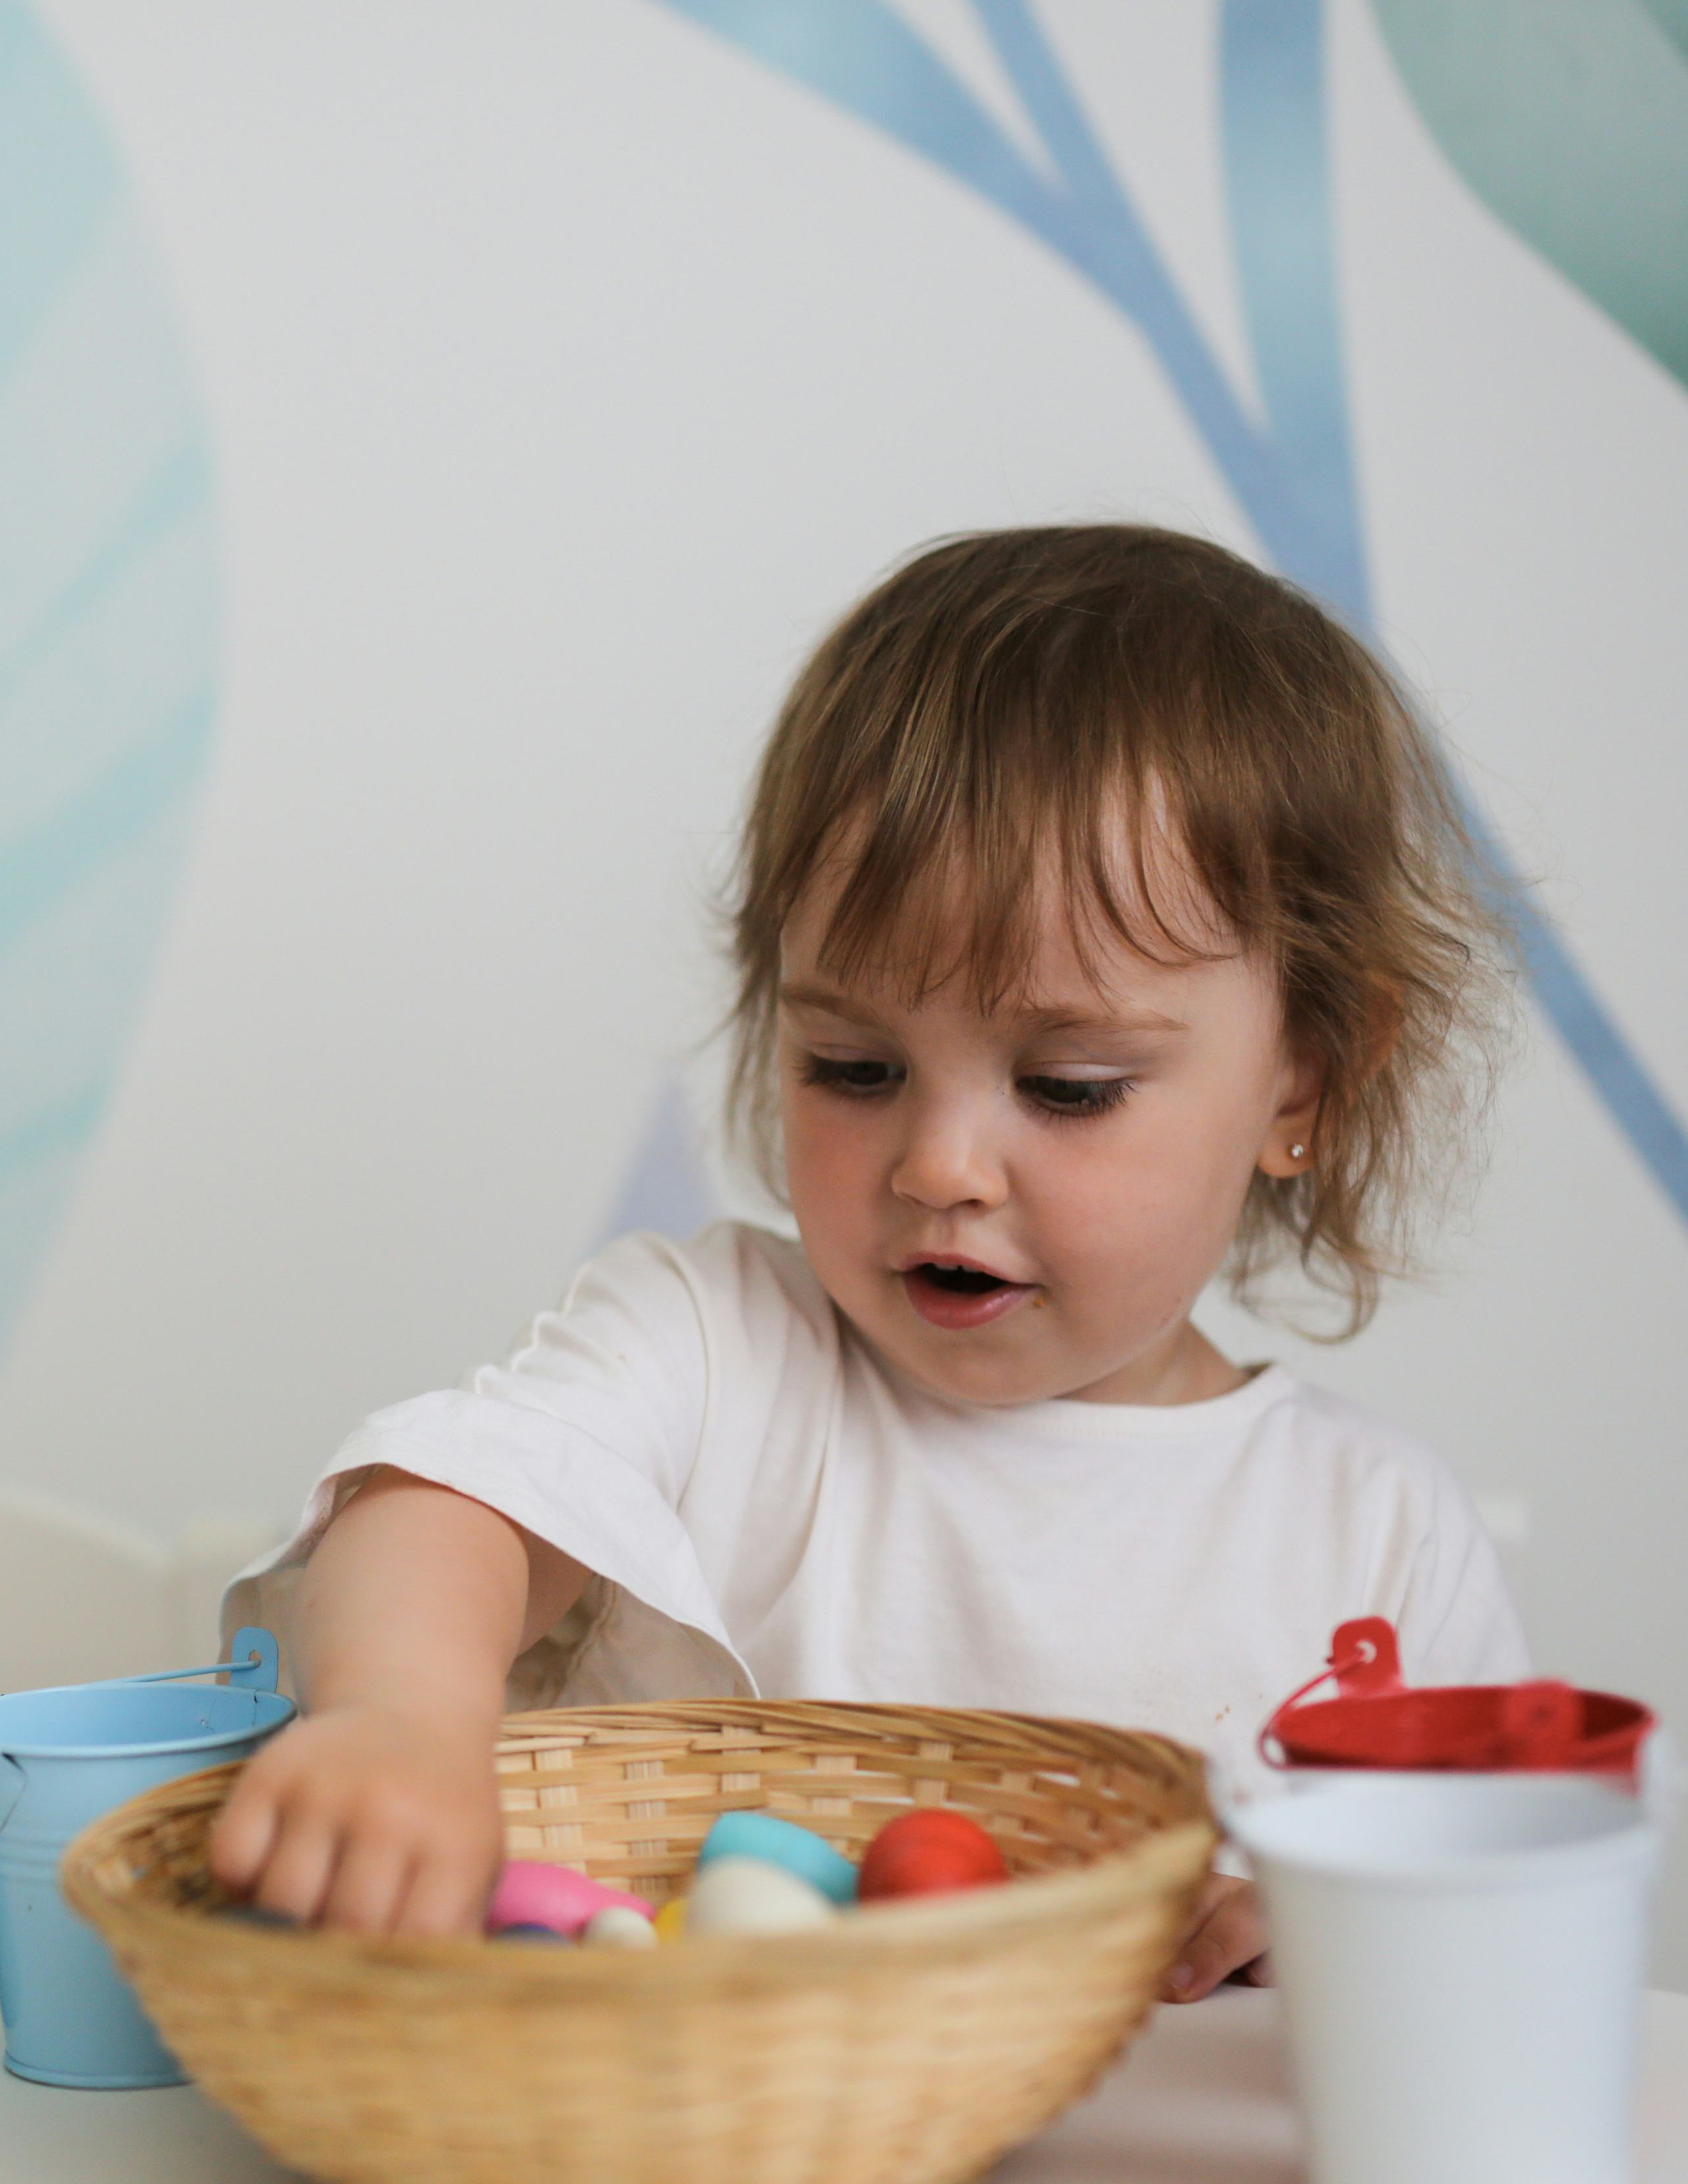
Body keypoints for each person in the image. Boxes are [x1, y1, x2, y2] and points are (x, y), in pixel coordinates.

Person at [210, 523, 1523, 1999]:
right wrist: (399, 1716)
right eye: (852, 1065)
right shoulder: (711, 1345)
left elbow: (1504, 1949)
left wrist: (1360, 1931)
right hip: (695, 2168)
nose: (941, 1167)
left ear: (1304, 1087)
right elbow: (448, 1506)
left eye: (1068, 1087)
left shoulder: (1373, 1539)